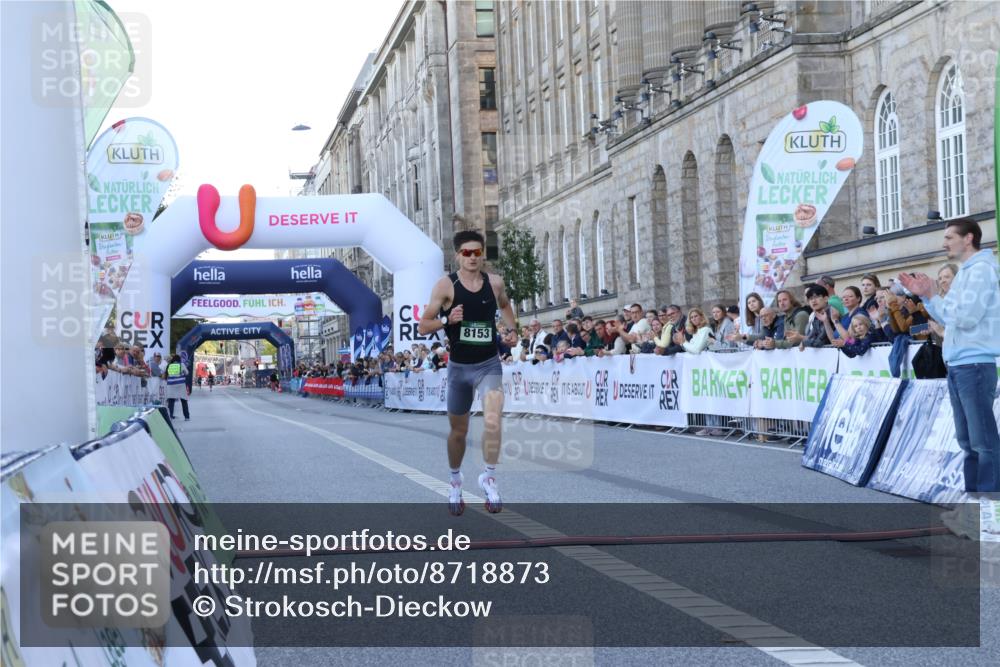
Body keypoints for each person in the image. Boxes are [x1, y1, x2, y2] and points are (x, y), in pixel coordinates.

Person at [898, 218, 1000, 527]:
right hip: (959, 365)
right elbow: (949, 316)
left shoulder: (981, 271)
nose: (944, 243)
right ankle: (975, 509)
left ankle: (991, 512)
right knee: (968, 441)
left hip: (974, 364)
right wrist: (929, 296)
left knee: (983, 442)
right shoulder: (969, 272)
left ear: (968, 238)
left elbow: (965, 318)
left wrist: (933, 295)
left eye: (949, 237)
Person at [418, 230, 516, 515]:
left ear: (483, 253)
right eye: (467, 253)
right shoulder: (445, 286)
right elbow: (424, 325)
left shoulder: (495, 283)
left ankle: (489, 476)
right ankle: (455, 479)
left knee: (494, 419)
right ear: (457, 255)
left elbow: (506, 305)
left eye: (477, 252)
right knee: (458, 431)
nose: (473, 258)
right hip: (459, 368)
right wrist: (447, 319)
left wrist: (512, 332)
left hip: (489, 363)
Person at [801, 284, 833, 348]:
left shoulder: (831, 313)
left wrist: (804, 342)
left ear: (826, 299)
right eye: (810, 299)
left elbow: (820, 341)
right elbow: (812, 335)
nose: (813, 301)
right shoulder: (817, 315)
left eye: (816, 297)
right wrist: (804, 341)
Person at [164, 354, 190, 421]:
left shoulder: (169, 365)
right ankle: (187, 417)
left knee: (171, 401)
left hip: (171, 385)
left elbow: (166, 375)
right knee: (184, 401)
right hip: (180, 385)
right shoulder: (181, 365)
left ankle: (170, 416)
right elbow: (187, 373)